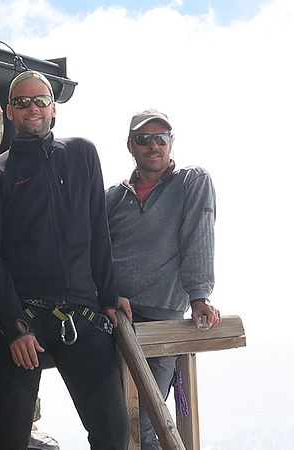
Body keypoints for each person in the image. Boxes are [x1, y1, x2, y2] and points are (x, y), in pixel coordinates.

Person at [0, 70, 131, 450]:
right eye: (22, 102)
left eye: (40, 100)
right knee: (8, 436)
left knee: (113, 431)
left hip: (83, 312)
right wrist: (14, 328)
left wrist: (109, 297)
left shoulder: (82, 154)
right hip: (26, 317)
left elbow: (98, 229)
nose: (32, 108)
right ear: (10, 111)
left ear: (53, 107)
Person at [105, 109, 220, 450]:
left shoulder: (191, 181)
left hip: (161, 318)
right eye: (143, 139)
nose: (153, 145)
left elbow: (198, 234)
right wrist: (106, 294)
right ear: (130, 146)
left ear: (171, 143)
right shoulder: (112, 197)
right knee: (112, 420)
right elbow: (93, 251)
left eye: (161, 138)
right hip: (113, 317)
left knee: (144, 420)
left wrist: (199, 295)